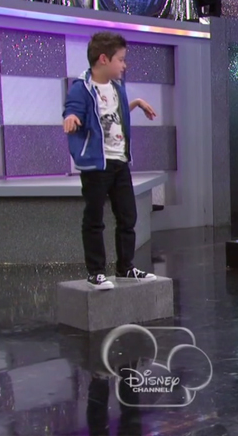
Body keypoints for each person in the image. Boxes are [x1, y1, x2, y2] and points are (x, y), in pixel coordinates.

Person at [63, 31, 158, 290]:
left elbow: (112, 113)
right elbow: (73, 109)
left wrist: (136, 103)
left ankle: (125, 267)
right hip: (97, 164)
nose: (124, 65)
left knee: (128, 216)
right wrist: (71, 118)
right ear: (103, 59)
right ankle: (96, 272)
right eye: (121, 60)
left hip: (120, 161)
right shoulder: (82, 87)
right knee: (94, 218)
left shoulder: (117, 88)